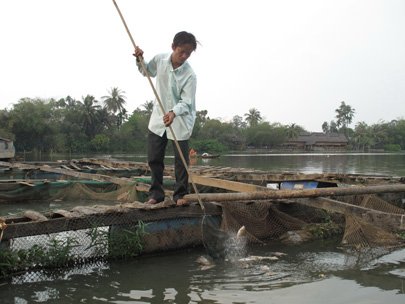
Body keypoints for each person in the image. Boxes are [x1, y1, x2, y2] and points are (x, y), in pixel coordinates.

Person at [133, 31, 198, 206]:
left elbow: (187, 102)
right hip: (158, 118)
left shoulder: (190, 75)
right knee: (154, 158)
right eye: (181, 51)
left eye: (188, 53)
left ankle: (180, 195)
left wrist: (173, 113)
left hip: (181, 119)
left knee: (181, 161)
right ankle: (156, 194)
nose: (184, 56)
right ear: (173, 47)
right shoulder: (160, 60)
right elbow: (147, 71)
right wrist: (139, 59)